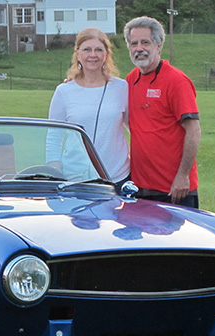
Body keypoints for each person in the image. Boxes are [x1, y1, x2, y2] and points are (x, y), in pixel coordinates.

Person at [123, 16, 201, 208]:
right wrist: (74, 83)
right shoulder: (130, 80)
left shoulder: (176, 81)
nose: (139, 48)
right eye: (134, 43)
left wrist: (182, 177)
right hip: (140, 189)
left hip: (174, 190)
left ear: (159, 45)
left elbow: (194, 131)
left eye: (145, 42)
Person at [47, 27, 130, 188]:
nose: (93, 55)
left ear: (106, 54)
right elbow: (53, 137)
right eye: (87, 50)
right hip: (76, 178)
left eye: (98, 50)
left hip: (116, 177)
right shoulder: (64, 91)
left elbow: (135, 128)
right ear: (77, 54)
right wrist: (55, 172)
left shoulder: (121, 88)